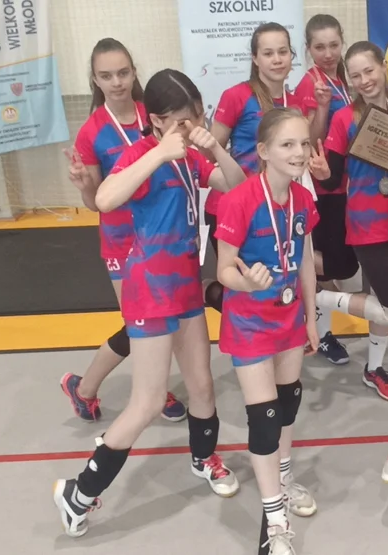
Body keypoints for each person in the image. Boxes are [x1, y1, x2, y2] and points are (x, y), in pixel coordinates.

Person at [53, 69, 246, 538]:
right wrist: (159, 151)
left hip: (185, 285)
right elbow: (104, 198)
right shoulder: (143, 153)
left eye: (196, 118)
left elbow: (236, 185)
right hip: (150, 289)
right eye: (181, 121)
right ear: (157, 121)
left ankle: (204, 457)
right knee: (147, 402)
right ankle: (79, 493)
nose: (190, 128)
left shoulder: (189, 156)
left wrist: (215, 148)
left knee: (202, 385)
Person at [215, 107, 323, 555]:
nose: (299, 152)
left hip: (289, 319)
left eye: (303, 143)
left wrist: (312, 318)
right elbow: (223, 270)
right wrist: (247, 283)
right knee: (263, 419)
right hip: (249, 323)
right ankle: (275, 520)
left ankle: (284, 476)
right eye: (287, 144)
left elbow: (304, 262)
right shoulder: (239, 200)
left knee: (288, 403)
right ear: (263, 151)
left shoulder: (303, 199)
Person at [62, 38, 186, 423]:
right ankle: (91, 388)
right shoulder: (91, 132)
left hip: (163, 236)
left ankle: (99, 387)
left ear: (134, 72)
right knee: (141, 325)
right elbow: (95, 201)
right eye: (106, 76)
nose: (116, 82)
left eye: (123, 73)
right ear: (95, 80)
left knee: (169, 318)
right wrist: (84, 185)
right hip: (123, 243)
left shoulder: (155, 113)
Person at [309, 41, 388, 402]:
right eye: (355, 75)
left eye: (369, 70)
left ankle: (374, 368)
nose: (364, 80)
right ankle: (316, 297)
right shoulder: (344, 118)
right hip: (365, 224)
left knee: (382, 300)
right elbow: (333, 179)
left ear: (384, 67)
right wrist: (323, 173)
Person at [202, 22, 317, 313]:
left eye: (283, 52)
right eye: (268, 53)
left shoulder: (295, 102)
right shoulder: (237, 96)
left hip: (278, 208)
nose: (277, 59)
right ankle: (211, 294)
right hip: (235, 207)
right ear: (255, 58)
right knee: (244, 290)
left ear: (292, 56)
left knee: (277, 286)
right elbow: (211, 149)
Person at [294, 14, 360, 365]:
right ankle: (291, 270)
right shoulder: (311, 84)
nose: (328, 53)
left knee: (340, 265)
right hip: (323, 186)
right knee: (338, 265)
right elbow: (309, 139)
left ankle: (318, 328)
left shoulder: (344, 79)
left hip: (345, 183)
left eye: (334, 45)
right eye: (320, 47)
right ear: (308, 49)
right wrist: (321, 107)